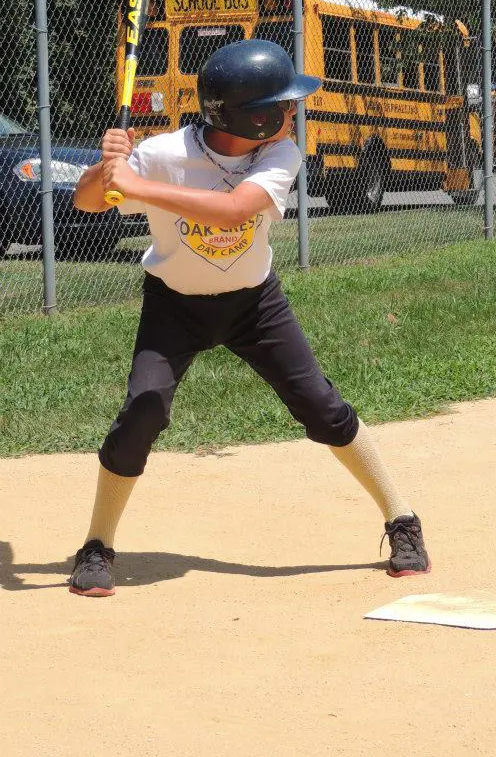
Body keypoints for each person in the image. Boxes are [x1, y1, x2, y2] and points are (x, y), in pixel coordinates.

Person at [69, 39, 430, 596]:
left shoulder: (280, 154)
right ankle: (97, 543)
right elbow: (89, 202)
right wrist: (107, 166)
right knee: (142, 409)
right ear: (251, 116)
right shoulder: (164, 154)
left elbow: (236, 209)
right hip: (174, 305)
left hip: (254, 305)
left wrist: (137, 184)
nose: (294, 114)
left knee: (321, 405)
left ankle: (401, 517)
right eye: (283, 106)